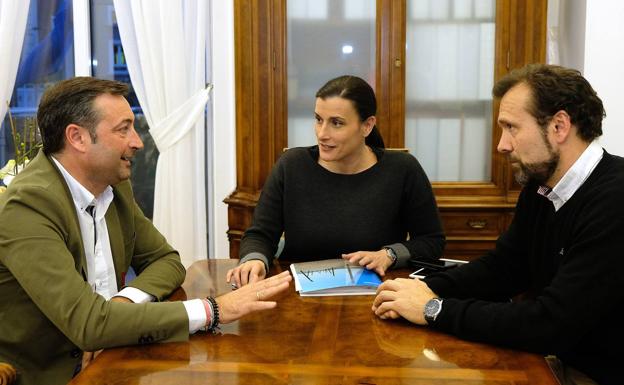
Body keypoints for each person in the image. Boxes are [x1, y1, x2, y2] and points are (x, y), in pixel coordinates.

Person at [0, 77, 292, 385]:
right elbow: (87, 325)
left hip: (118, 350)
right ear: (78, 138)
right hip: (55, 374)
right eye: (123, 129)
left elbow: (167, 261)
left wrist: (122, 303)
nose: (138, 141)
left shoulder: (114, 185)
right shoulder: (28, 206)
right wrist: (213, 310)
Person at [372, 64, 624, 385]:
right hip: (555, 361)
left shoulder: (614, 200)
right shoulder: (540, 186)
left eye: (511, 128)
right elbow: (504, 268)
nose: (502, 145)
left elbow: (550, 323)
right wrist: (426, 289)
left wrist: (433, 309)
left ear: (560, 126)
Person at [227, 75, 445, 287]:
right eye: (318, 120)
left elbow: (431, 240)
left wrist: (389, 255)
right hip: (297, 299)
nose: (322, 133)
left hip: (378, 296)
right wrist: (254, 260)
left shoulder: (403, 169)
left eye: (336, 123)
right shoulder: (291, 165)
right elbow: (260, 234)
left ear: (367, 126)